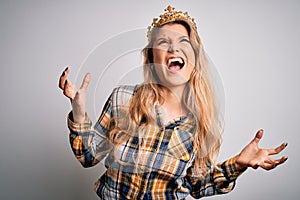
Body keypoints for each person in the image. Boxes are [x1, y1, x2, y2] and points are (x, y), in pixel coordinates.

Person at [58, 6, 288, 199]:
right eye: (163, 42)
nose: (174, 48)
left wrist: (238, 164)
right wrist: (78, 111)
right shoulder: (123, 98)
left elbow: (196, 185)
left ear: (195, 58)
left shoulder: (201, 122)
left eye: (183, 42)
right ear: (151, 58)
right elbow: (88, 157)